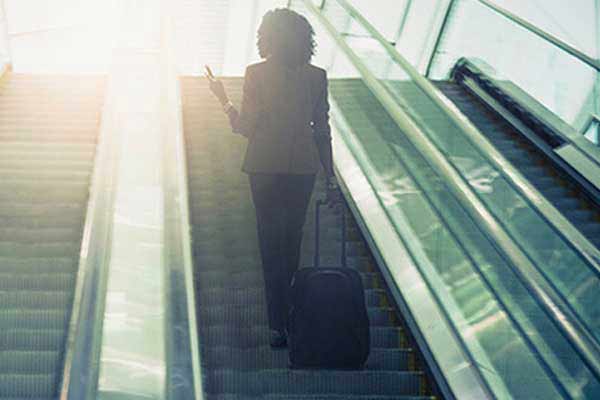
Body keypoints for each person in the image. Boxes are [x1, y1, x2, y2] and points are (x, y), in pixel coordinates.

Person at [205, 8, 340, 348]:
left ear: (267, 37)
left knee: (269, 244)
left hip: (264, 167)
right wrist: (332, 178)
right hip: (302, 170)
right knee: (292, 244)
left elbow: (245, 127)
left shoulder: (257, 74)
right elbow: (322, 131)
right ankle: (293, 319)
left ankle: (276, 325)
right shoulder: (316, 77)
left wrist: (222, 99)